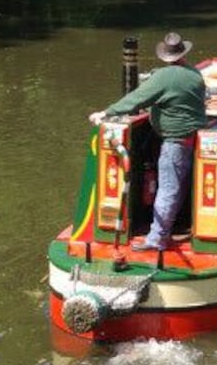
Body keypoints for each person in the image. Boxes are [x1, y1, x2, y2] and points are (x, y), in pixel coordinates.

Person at [88, 32, 206, 251]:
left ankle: (156, 239)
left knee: (168, 189)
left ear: (164, 56)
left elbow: (136, 99)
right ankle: (174, 228)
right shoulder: (194, 74)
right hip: (193, 138)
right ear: (183, 54)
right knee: (178, 188)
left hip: (174, 142)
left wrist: (106, 112)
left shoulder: (162, 77)